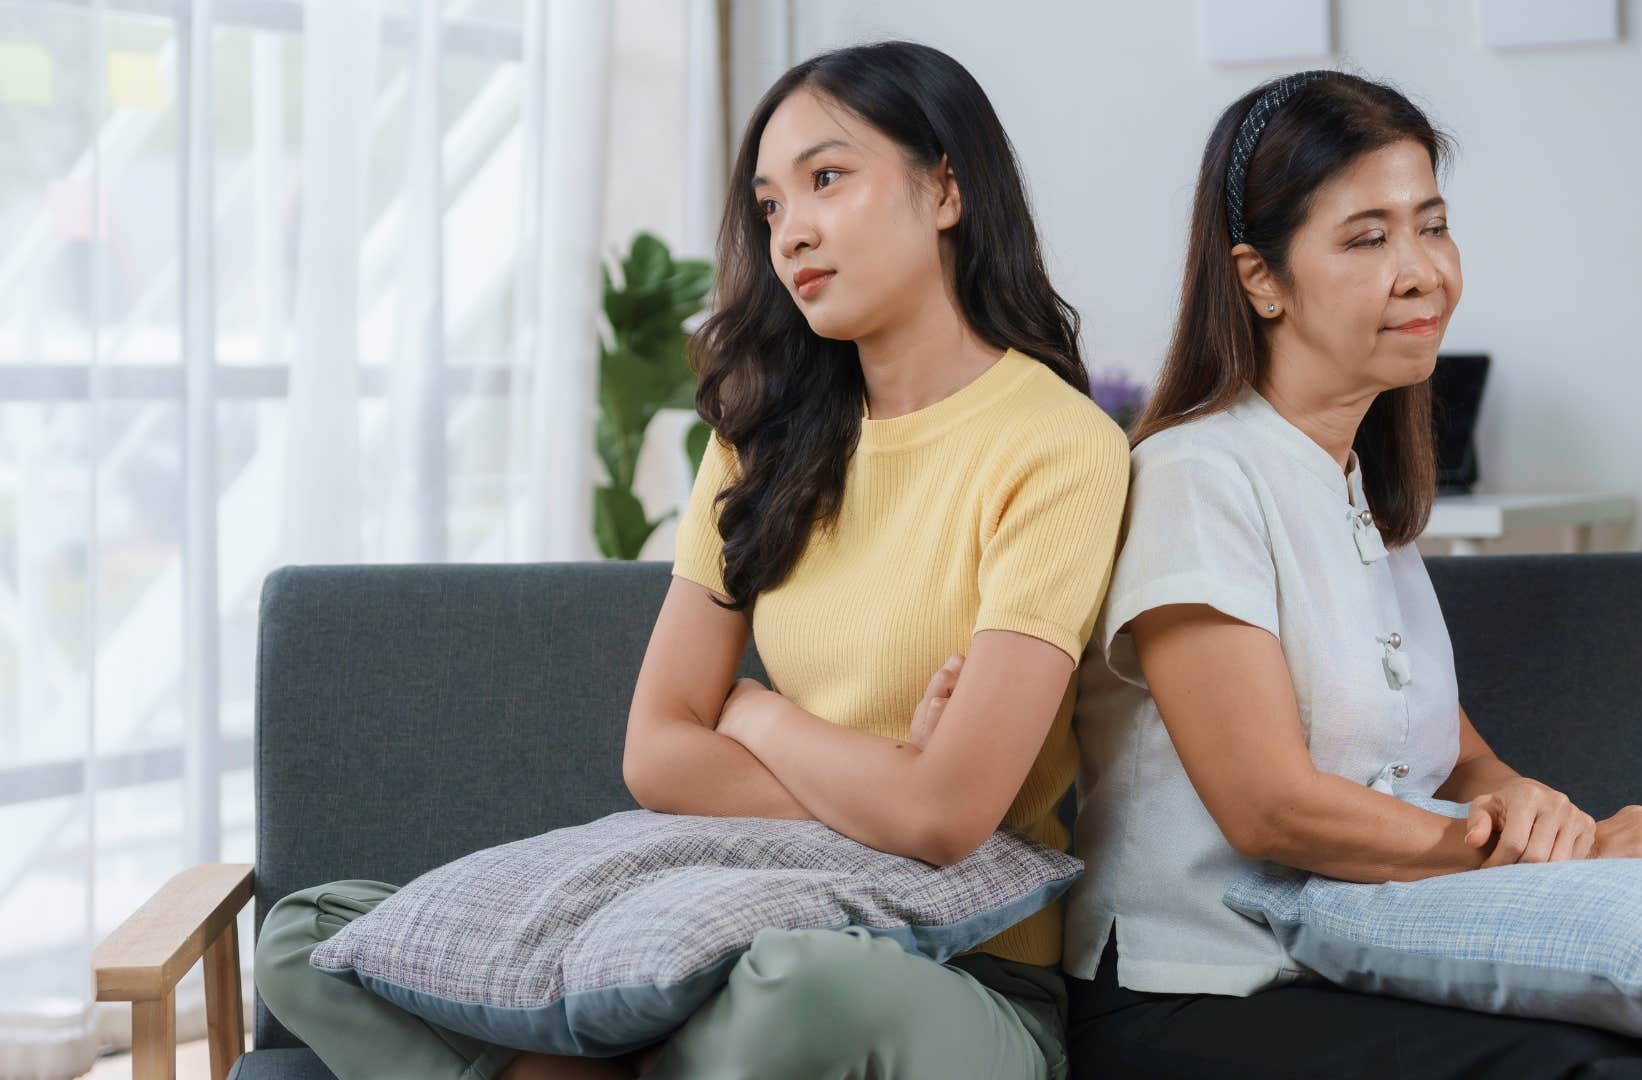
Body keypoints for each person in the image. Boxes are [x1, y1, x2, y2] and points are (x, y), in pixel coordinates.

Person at [254, 41, 1129, 1080]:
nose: (791, 229)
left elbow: (945, 818)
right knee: (309, 935)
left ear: (945, 189)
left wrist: (759, 716)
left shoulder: (1059, 445)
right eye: (769, 206)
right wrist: (889, 781)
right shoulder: (758, 437)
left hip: (956, 974)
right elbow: (657, 753)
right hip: (730, 917)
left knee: (792, 997)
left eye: (828, 178)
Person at [1060, 70, 1642, 1079]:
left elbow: (1460, 762)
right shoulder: (1200, 476)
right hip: (1198, 991)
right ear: (1260, 278)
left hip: (1356, 956)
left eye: (1432, 226)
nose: (1422, 272)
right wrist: (1554, 860)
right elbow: (1269, 808)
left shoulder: (1358, 483)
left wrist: (1532, 804)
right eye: (1367, 238)